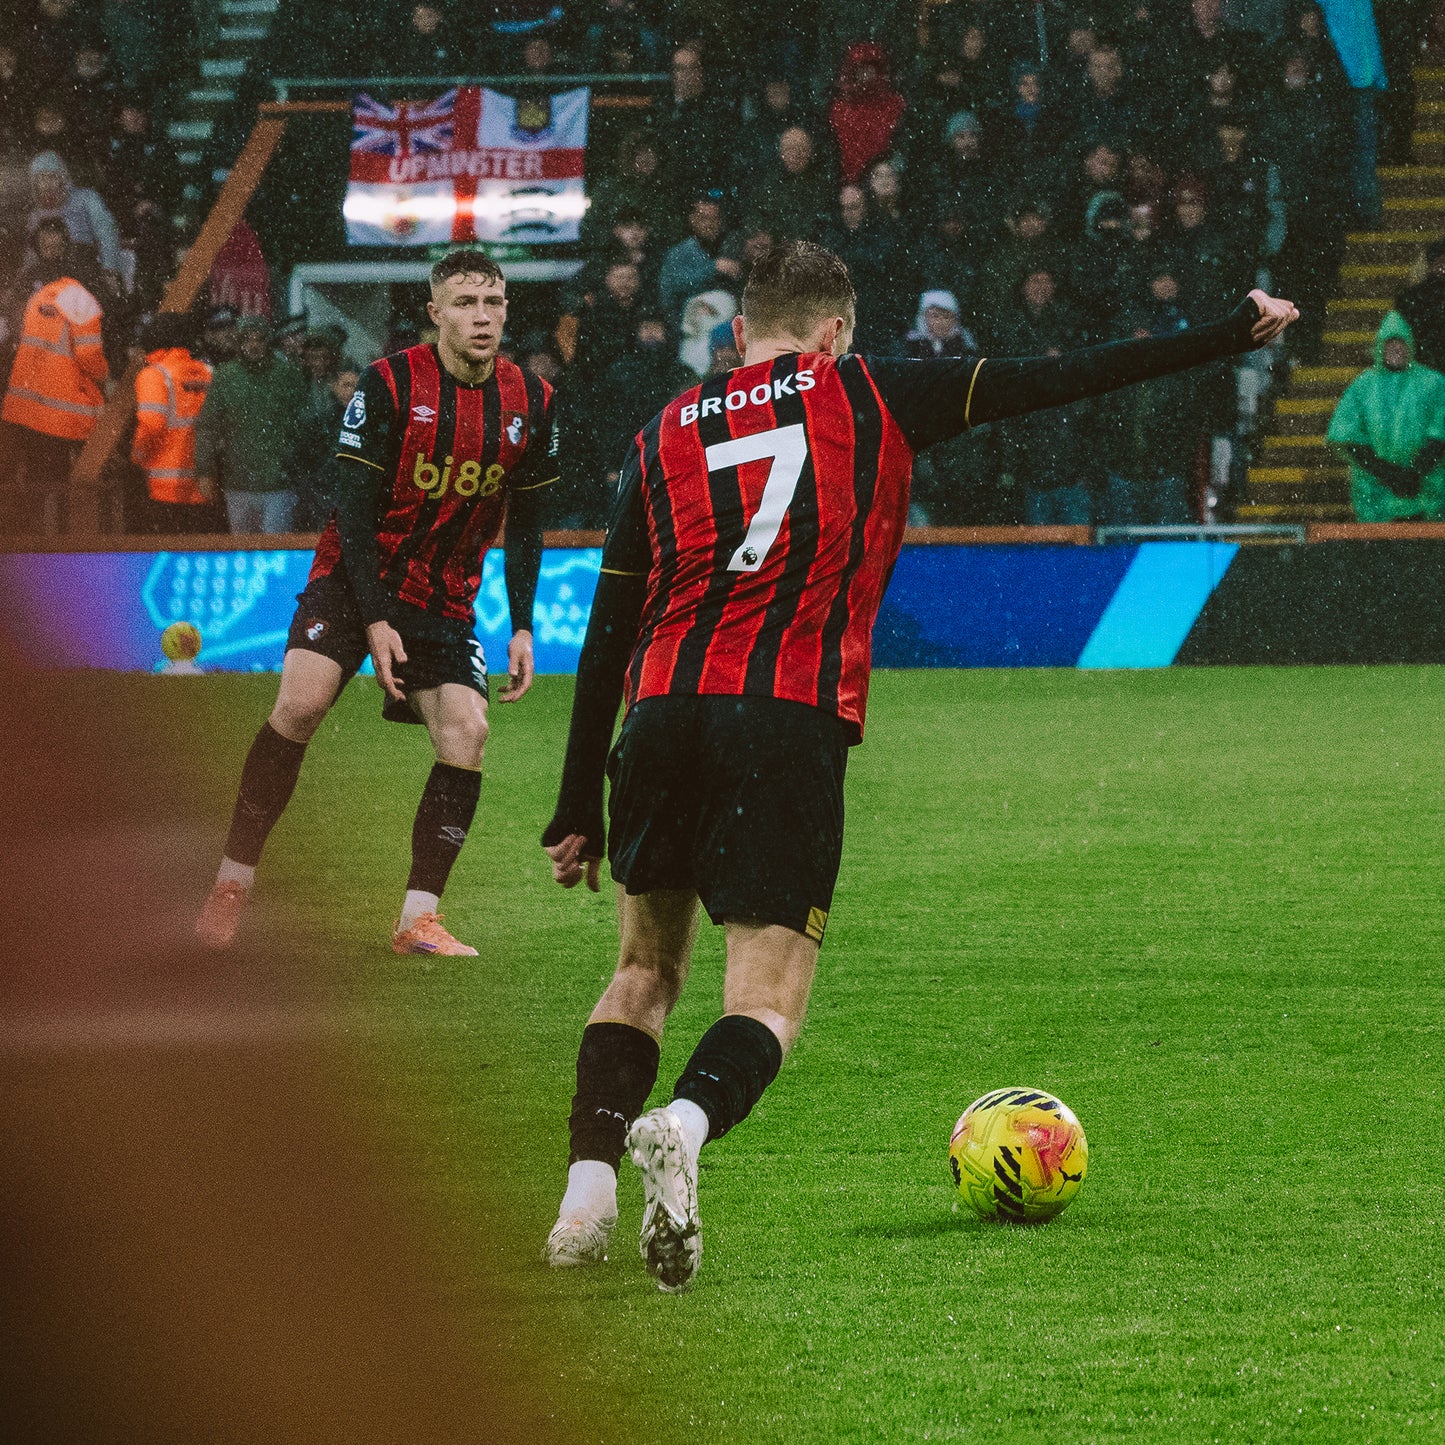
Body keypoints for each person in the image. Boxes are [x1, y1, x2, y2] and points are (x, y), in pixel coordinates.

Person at [538, 239, 1297, 1290]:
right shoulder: (869, 391)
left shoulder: (662, 428)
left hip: (659, 712)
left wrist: (577, 797)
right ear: (834, 331)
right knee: (763, 997)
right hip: (784, 714)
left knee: (640, 970)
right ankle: (684, 1119)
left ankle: (583, 1198)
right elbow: (1059, 376)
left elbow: (609, 621)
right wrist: (1226, 330)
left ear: (739, 330)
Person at [195, 252, 558, 956]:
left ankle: (417, 918)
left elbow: (530, 522)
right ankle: (231, 882)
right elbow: (352, 509)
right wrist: (377, 617)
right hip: (354, 572)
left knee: (467, 731)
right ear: (435, 312)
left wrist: (521, 623)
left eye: (493, 301)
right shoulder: (390, 383)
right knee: (301, 702)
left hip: (442, 594)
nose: (481, 315)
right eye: (464, 302)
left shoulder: (533, 401)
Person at [0, 242, 108, 534]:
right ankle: (53, 540)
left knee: (32, 484)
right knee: (57, 486)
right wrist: (105, 375)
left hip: (24, 406)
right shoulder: (82, 300)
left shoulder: (41, 295)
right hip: (58, 416)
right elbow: (88, 356)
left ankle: (28, 540)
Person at [194, 315, 310, 534]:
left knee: (276, 551)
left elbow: (304, 425)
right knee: (242, 549)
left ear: (268, 342)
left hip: (278, 482)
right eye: (248, 339)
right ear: (240, 342)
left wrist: (293, 462)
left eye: (259, 339)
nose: (254, 345)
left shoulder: (287, 376)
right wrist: (204, 472)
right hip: (238, 481)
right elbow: (208, 426)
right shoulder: (225, 376)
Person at [1327, 311, 1445, 523]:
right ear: (1380, 347)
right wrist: (1389, 474)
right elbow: (1346, 437)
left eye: (1401, 343)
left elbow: (1439, 434)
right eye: (1390, 343)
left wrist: (1414, 473)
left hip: (1427, 492)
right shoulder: (1363, 386)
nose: (1396, 348)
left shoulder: (1433, 383)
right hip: (1375, 495)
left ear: (1411, 345)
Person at [130, 311, 217, 534]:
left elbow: (151, 424)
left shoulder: (154, 375)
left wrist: (136, 457)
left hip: (165, 489)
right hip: (204, 484)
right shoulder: (209, 373)